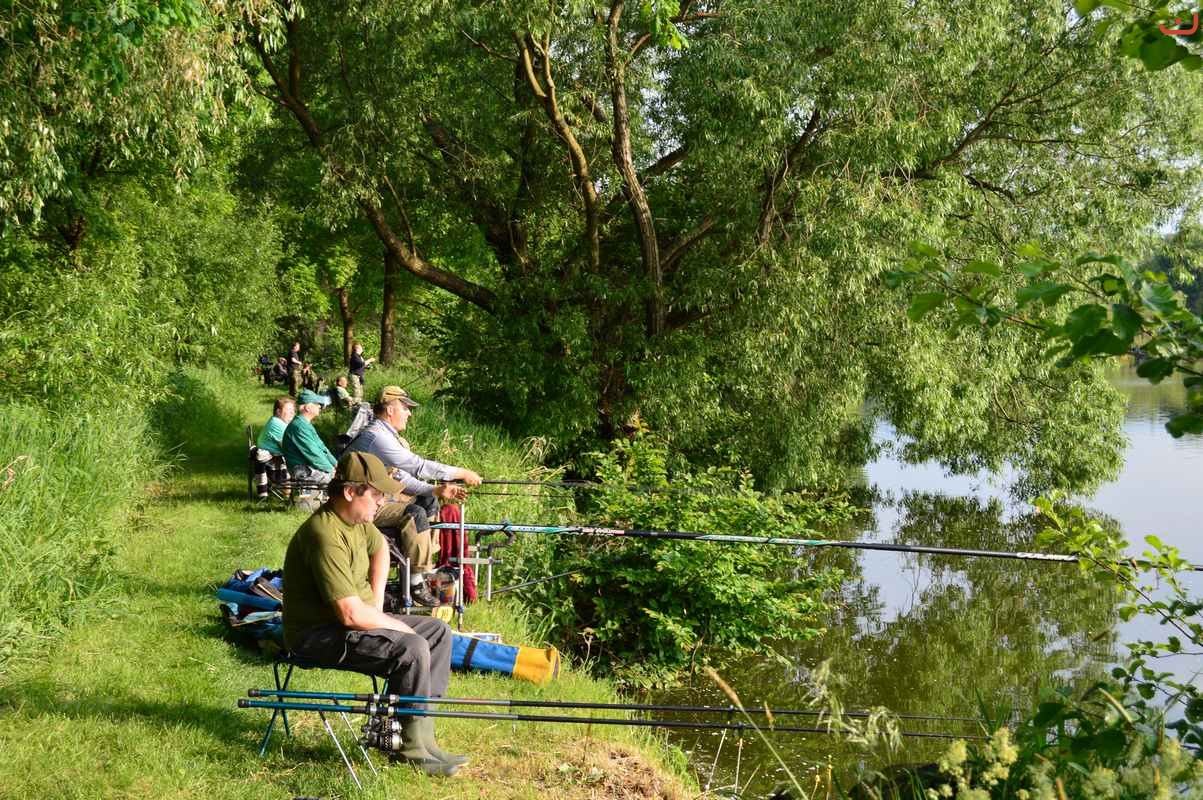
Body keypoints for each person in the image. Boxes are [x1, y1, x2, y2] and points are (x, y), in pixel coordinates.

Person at [282, 451, 466, 775]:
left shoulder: (358, 522)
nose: (382, 501)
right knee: (412, 646)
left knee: (437, 633)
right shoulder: (324, 535)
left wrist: (378, 605)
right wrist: (394, 626)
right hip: (316, 634)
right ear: (350, 492)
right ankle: (408, 748)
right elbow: (350, 615)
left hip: (349, 621)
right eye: (377, 493)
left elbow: (380, 548)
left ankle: (424, 734)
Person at [343, 386, 482, 605]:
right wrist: (461, 473)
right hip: (357, 504)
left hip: (374, 498)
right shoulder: (377, 436)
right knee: (414, 514)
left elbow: (402, 478)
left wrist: (434, 490)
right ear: (390, 410)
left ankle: (426, 566)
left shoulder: (386, 435)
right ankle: (416, 581)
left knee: (428, 500)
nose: (409, 413)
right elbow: (417, 466)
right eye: (406, 408)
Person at [281, 389, 337, 487]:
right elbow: (313, 453)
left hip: (309, 467)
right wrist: (332, 470)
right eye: (317, 403)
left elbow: (321, 448)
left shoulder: (304, 424)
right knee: (339, 481)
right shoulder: (299, 427)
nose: (320, 406)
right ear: (307, 407)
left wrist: (336, 464)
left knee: (343, 476)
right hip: (301, 470)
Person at [253, 396, 295, 498]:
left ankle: (289, 497)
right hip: (271, 462)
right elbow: (288, 448)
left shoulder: (278, 422)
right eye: (289, 410)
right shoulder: (277, 424)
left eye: (293, 410)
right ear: (278, 412)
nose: (292, 413)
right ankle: (290, 498)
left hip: (273, 458)